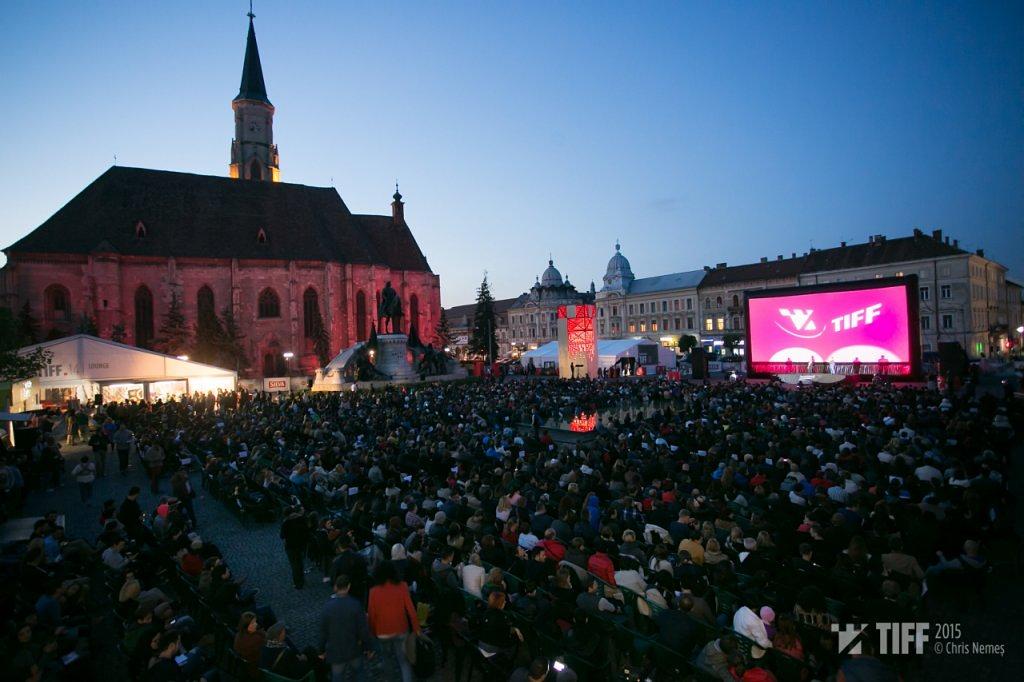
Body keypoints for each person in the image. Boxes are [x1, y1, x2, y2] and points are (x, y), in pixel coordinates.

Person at [367, 561, 420, 682]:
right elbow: (411, 611)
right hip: (401, 630)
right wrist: (417, 629)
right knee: (404, 662)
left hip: (382, 633)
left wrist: (373, 632)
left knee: (387, 659)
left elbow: (371, 616)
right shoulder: (402, 586)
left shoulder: (373, 592)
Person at [320, 575, 374, 682]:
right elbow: (363, 629)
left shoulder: (327, 607)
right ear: (348, 587)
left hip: (336, 652)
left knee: (337, 678)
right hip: (353, 649)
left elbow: (323, 632)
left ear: (336, 587)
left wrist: (321, 650)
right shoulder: (355, 605)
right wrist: (368, 647)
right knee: (359, 674)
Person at [280, 507, 310, 589]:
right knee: (300, 562)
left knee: (294, 565)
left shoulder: (286, 522)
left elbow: (282, 536)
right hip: (301, 544)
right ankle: (302, 580)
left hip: (291, 546)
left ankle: (298, 583)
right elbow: (306, 530)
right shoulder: (301, 518)